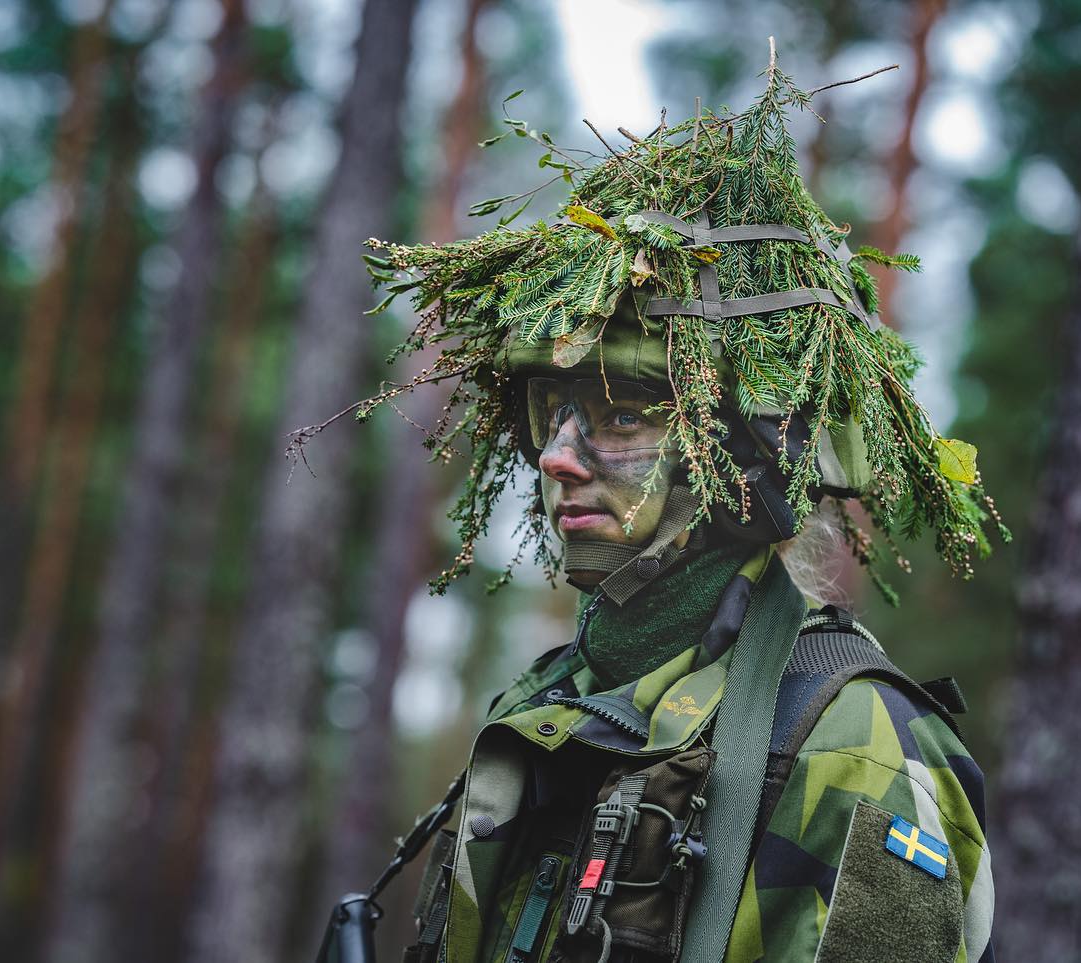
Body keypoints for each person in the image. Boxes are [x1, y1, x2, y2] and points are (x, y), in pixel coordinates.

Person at [337, 54, 1005, 963]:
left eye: (622, 410)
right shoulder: (552, 700)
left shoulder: (856, 749)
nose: (561, 455)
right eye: (551, 410)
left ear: (748, 449)